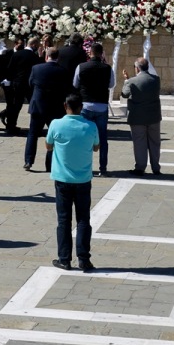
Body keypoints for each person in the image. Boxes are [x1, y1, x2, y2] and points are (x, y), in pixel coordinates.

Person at [47, 93, 100, 272]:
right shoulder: (90, 126)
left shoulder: (56, 124)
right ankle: (84, 258)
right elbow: (96, 146)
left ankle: (64, 259)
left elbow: (48, 145)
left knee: (64, 220)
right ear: (81, 108)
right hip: (83, 179)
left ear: (65, 106)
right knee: (84, 218)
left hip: (62, 179)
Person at [25, 47, 72, 171]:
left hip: (38, 106)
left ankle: (28, 161)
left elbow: (31, 83)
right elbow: (67, 89)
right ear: (58, 58)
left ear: (47, 56)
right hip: (55, 108)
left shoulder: (36, 68)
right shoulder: (63, 71)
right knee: (55, 136)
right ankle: (49, 164)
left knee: (33, 134)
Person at [73, 41, 115, 176]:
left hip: (86, 104)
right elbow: (111, 84)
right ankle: (103, 168)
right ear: (101, 53)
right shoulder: (107, 68)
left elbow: (75, 84)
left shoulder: (81, 67)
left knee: (84, 137)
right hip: (101, 106)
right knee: (102, 138)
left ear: (90, 52)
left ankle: (84, 166)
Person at [121, 57, 163, 176]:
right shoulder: (156, 79)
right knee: (155, 142)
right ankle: (156, 167)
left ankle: (140, 167)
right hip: (154, 116)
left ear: (137, 68)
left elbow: (124, 94)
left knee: (139, 143)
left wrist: (126, 80)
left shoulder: (132, 81)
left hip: (137, 116)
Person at [3, 37, 40, 135]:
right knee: (33, 106)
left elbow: (10, 68)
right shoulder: (35, 57)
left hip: (17, 83)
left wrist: (11, 80)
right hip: (29, 85)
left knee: (15, 106)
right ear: (34, 45)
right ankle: (35, 127)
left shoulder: (17, 54)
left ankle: (11, 126)